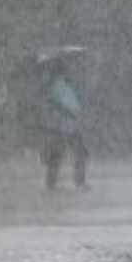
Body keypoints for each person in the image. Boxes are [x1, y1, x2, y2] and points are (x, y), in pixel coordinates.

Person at [39, 61, 88, 191]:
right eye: (68, 70)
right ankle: (78, 182)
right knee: (78, 153)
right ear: (62, 73)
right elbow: (63, 105)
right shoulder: (58, 86)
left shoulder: (60, 86)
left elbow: (63, 104)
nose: (71, 72)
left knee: (59, 155)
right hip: (64, 126)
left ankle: (52, 183)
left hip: (63, 126)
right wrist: (71, 112)